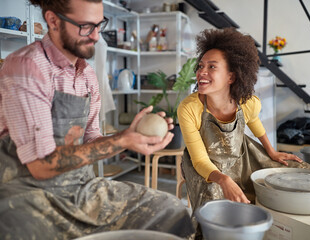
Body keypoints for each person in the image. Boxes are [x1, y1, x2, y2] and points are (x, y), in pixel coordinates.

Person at [0, 0, 194, 239]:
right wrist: (122, 141)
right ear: (53, 21)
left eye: (99, 24)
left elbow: (92, 139)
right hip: (26, 191)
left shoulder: (87, 76)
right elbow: (41, 165)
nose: (95, 36)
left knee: (171, 211)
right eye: (85, 26)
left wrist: (132, 137)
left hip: (80, 188)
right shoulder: (27, 66)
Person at [177, 28, 310, 231]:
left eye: (211, 67)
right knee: (217, 203)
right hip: (205, 166)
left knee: (299, 173)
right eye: (200, 66)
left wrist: (271, 151)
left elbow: (254, 122)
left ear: (231, 77)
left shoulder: (248, 102)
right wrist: (223, 180)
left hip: (241, 157)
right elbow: (199, 160)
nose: (201, 72)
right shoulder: (189, 108)